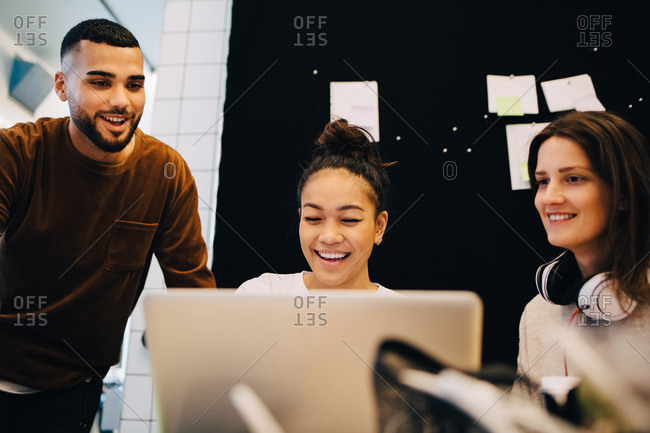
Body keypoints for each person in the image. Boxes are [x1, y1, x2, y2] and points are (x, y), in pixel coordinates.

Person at [0, 19, 215, 432]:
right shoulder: (19, 153)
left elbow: (194, 292)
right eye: (100, 82)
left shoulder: (167, 173)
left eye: (134, 85)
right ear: (62, 87)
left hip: (75, 388)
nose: (121, 101)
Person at [516, 111, 650, 406]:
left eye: (573, 178)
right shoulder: (539, 314)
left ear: (624, 193)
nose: (550, 197)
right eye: (542, 181)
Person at [237, 119, 397, 295]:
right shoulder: (260, 295)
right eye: (313, 218)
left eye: (349, 219)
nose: (329, 237)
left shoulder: (405, 315)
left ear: (379, 227)